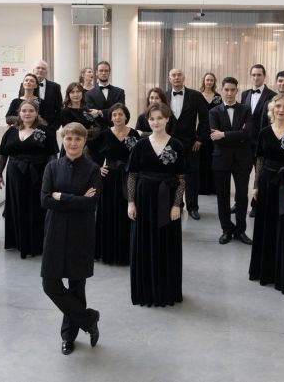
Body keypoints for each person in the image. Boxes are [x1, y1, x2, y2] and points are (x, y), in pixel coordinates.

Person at [40, 122, 102, 355]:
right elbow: (45, 200)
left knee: (77, 286)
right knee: (50, 283)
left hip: (81, 232)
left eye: (77, 139)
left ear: (84, 141)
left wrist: (62, 197)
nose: (73, 143)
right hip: (55, 229)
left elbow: (91, 204)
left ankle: (68, 337)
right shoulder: (52, 167)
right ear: (62, 140)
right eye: (69, 138)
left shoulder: (93, 169)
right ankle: (88, 318)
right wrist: (77, 199)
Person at [126, 102, 185, 307]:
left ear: (167, 119)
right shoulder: (140, 145)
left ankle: (165, 291)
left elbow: (181, 178)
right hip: (143, 199)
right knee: (143, 243)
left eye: (160, 118)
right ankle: (145, 291)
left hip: (167, 200)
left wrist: (176, 204)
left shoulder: (176, 145)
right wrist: (131, 202)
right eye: (152, 119)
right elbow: (132, 175)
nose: (156, 122)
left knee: (166, 244)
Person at [248, 94, 284, 295]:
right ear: (272, 109)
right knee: (267, 226)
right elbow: (260, 160)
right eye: (278, 106)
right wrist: (256, 186)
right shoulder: (264, 132)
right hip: (267, 184)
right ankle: (266, 271)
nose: (281, 110)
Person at [0, 100, 58, 259]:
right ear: (19, 112)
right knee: (17, 205)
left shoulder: (46, 131)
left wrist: (51, 177)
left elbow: (52, 155)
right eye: (24, 111)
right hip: (14, 174)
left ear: (36, 113)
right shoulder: (11, 132)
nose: (27, 113)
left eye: (31, 110)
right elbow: (2, 153)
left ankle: (35, 243)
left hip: (38, 174)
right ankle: (18, 241)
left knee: (35, 207)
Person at [91, 103, 141, 265]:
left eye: (120, 114)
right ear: (110, 118)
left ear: (126, 116)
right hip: (109, 178)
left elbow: (140, 156)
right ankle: (107, 252)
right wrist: (98, 168)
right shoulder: (104, 134)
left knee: (127, 213)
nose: (117, 117)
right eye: (114, 115)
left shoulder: (134, 134)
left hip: (129, 177)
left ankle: (126, 253)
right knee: (108, 212)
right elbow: (89, 151)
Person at [208, 77, 253, 245]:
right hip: (221, 159)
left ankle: (241, 231)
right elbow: (215, 137)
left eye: (232, 90)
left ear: (237, 91)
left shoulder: (246, 109)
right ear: (222, 90)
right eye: (226, 90)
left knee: (242, 196)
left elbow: (247, 134)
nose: (229, 93)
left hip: (242, 159)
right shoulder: (214, 112)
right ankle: (226, 230)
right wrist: (236, 135)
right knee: (223, 197)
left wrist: (224, 134)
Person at [166, 68, 209, 220]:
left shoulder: (195, 95)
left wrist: (200, 138)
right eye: (173, 75)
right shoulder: (164, 96)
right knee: (171, 175)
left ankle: (192, 207)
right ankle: (176, 205)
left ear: (184, 78)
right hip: (169, 143)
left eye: (179, 75)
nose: (176, 77)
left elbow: (205, 118)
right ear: (169, 78)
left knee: (192, 176)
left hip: (191, 143)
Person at [241, 64, 276, 151]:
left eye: (259, 75)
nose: (256, 78)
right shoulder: (244, 94)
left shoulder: (273, 95)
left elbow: (273, 119)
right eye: (253, 75)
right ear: (250, 76)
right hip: (246, 139)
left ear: (264, 76)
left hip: (263, 138)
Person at [196, 73, 220, 197]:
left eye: (211, 80)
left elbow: (221, 113)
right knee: (202, 158)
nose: (209, 82)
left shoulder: (217, 97)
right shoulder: (198, 96)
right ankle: (201, 187)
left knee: (213, 159)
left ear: (214, 82)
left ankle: (213, 187)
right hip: (201, 130)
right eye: (207, 80)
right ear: (204, 81)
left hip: (215, 130)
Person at [84, 61, 125, 129]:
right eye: (101, 70)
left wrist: (99, 112)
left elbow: (120, 110)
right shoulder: (88, 94)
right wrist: (111, 111)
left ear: (109, 73)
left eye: (106, 71)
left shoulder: (120, 92)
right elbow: (92, 114)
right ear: (96, 73)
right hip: (98, 131)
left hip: (117, 129)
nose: (103, 73)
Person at [30, 60, 64, 130]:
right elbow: (20, 104)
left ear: (46, 72)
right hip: (29, 126)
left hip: (49, 127)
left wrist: (54, 127)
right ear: (33, 70)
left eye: (43, 68)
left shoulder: (55, 87)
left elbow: (60, 108)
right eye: (38, 68)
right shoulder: (25, 85)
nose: (40, 70)